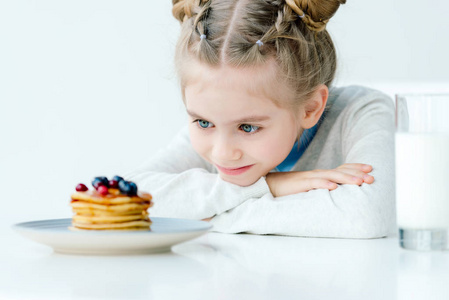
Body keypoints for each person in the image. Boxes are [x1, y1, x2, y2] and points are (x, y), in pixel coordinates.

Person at [126, 0, 396, 238]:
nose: (222, 153)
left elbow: (367, 216)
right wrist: (270, 186)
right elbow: (128, 197)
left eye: (248, 127)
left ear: (311, 108)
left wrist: (206, 217)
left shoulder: (362, 112)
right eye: (204, 123)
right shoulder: (222, 125)